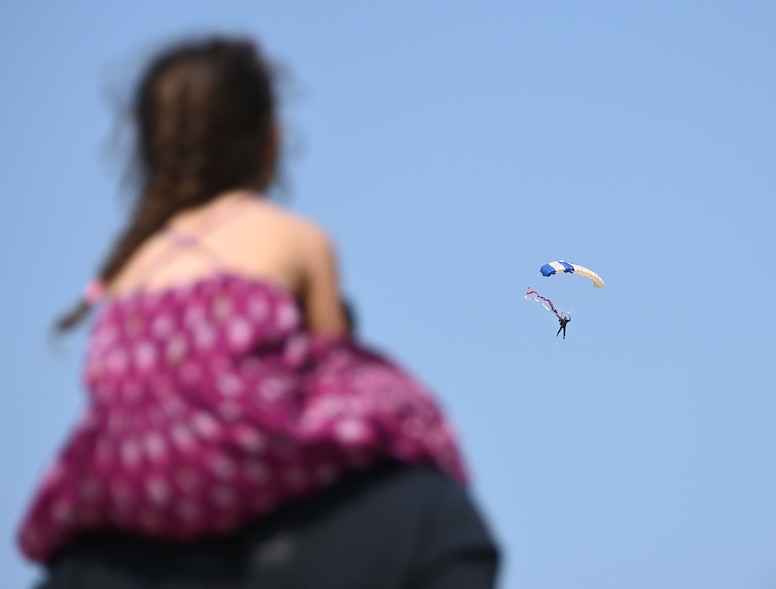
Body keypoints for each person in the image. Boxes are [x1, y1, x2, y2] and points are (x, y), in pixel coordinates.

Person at [19, 36, 498, 588]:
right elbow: (335, 370)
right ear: (269, 141)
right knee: (396, 404)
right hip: (252, 457)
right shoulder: (295, 238)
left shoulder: (129, 270)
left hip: (139, 473)